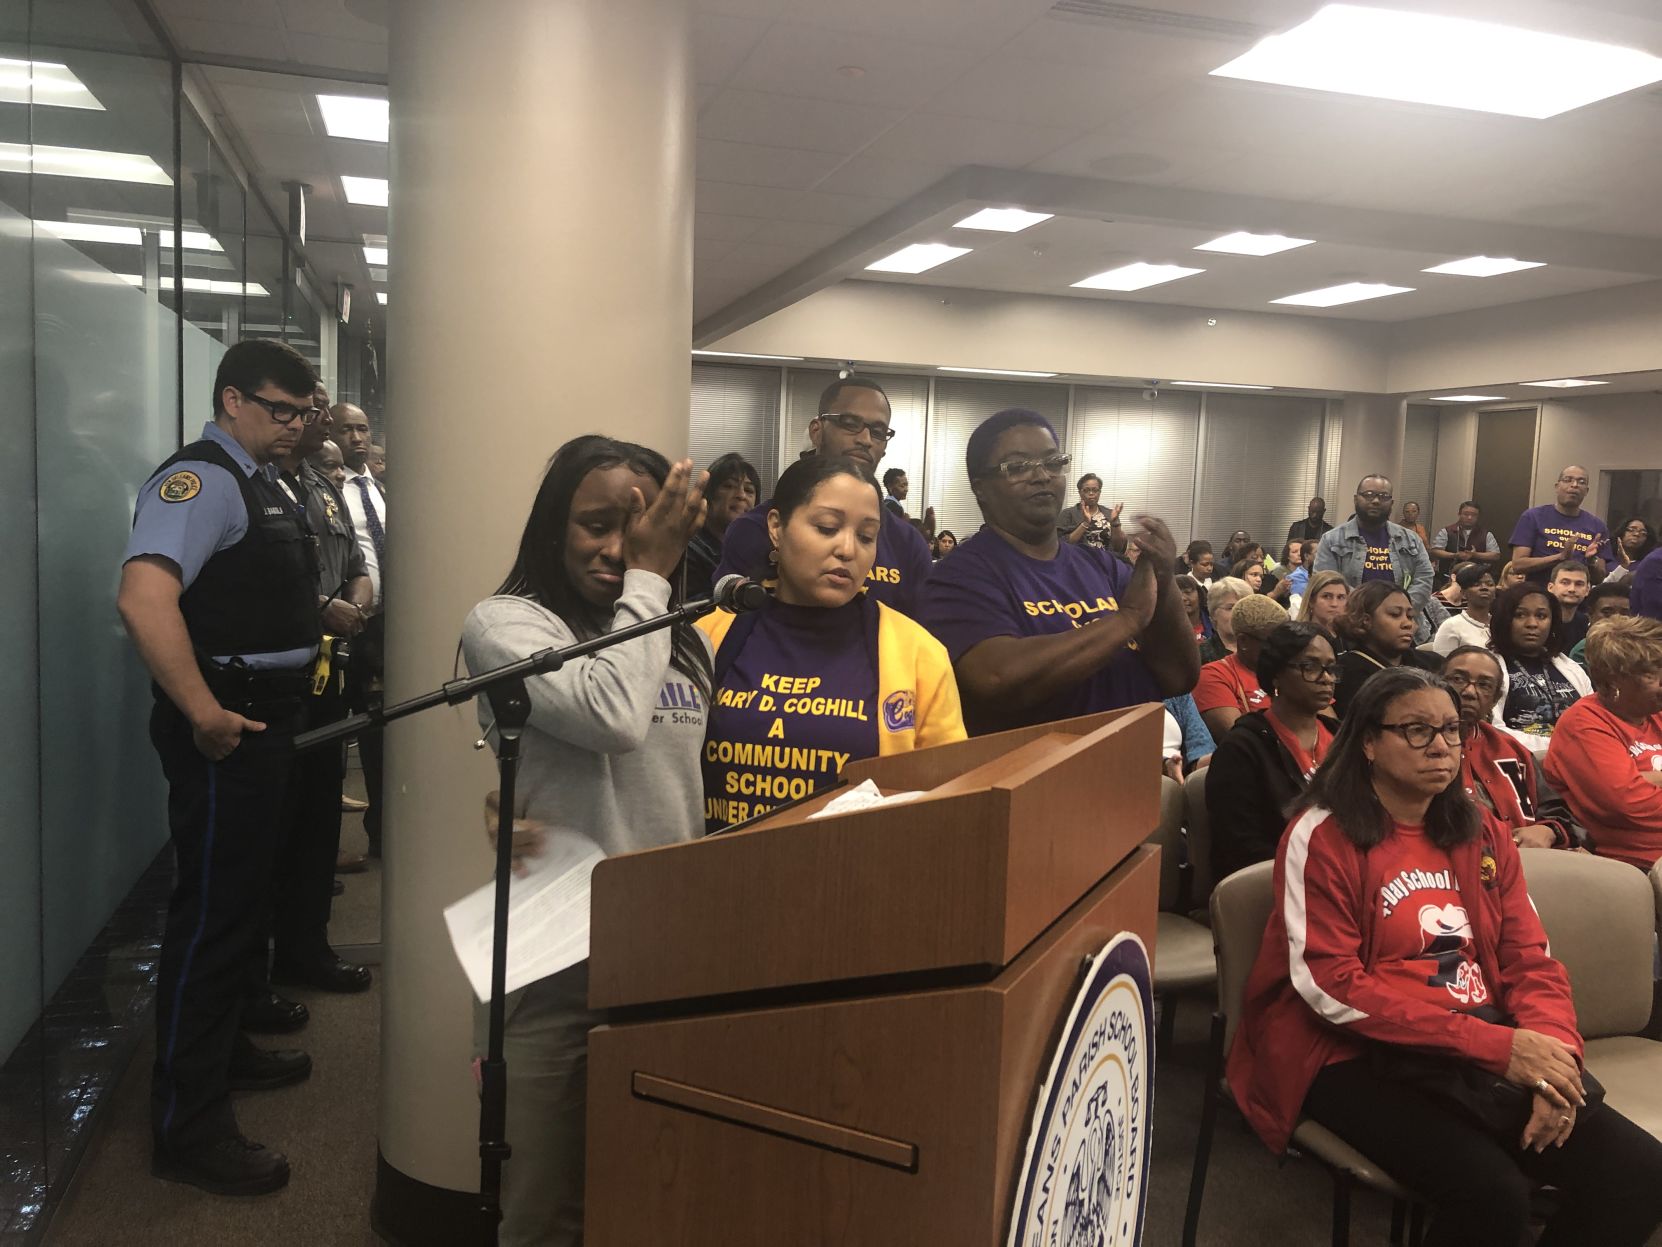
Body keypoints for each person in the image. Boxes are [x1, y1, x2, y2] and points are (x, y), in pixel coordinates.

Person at [1229, 665, 1662, 1247]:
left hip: (1481, 1041)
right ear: (1368, 743)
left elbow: (1529, 957)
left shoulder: (1479, 828)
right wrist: (1499, 1049)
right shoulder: (1324, 834)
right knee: (1492, 1193)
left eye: (1451, 730)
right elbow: (1329, 985)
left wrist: (1553, 1060)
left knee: (1639, 1176)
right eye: (1415, 731)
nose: (1440, 746)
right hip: (1347, 1050)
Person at [461, 436, 712, 1245]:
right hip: (555, 962)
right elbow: (611, 715)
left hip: (665, 949)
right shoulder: (504, 624)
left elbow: (678, 779)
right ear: (553, 528)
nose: (618, 549)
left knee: (656, 1182)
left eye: (639, 527)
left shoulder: (683, 633)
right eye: (596, 525)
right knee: (543, 1204)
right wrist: (650, 573)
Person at [117, 339, 324, 1196]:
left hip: (269, 717)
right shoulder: (198, 479)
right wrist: (202, 711)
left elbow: (246, 586)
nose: (296, 424)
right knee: (211, 916)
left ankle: (225, 1050)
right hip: (226, 728)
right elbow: (144, 593)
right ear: (232, 399)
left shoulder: (263, 477)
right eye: (282, 409)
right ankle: (188, 1125)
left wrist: (323, 615)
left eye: (303, 412)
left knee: (242, 903)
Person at [699, 456, 965, 829]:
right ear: (776, 527)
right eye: (827, 528)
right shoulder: (710, 635)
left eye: (867, 536)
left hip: (853, 877)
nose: (848, 549)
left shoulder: (919, 654)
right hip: (712, 874)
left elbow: (946, 800)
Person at [922, 408, 1199, 736]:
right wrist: (1126, 620)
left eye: (1053, 462)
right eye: (1018, 466)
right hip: (1032, 780)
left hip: (1132, 771)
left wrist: (1163, 580)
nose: (1041, 476)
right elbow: (997, 677)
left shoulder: (1105, 567)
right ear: (980, 487)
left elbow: (1178, 677)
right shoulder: (959, 576)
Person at [266, 383, 374, 998]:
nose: (322, 417)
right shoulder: (249, 484)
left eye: (320, 409)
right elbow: (252, 585)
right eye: (309, 407)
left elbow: (356, 563)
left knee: (316, 818)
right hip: (275, 681)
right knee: (273, 825)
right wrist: (322, 609)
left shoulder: (322, 487)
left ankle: (307, 949)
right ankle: (260, 966)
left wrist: (355, 599)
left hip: (329, 672)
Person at [717, 376, 932, 616]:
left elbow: (919, 634)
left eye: (878, 431)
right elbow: (727, 629)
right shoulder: (752, 530)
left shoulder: (907, 545)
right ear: (816, 431)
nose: (865, 439)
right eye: (850, 423)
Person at [1206, 622, 1338, 879]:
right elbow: (1241, 848)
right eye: (1310, 667)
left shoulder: (1340, 736)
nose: (1326, 678)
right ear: (1275, 674)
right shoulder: (1242, 749)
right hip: (1282, 879)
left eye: (1331, 669)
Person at [1543, 615, 1662, 872]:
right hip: (1633, 866)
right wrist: (1644, 782)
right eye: (1652, 675)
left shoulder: (1655, 713)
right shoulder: (1583, 723)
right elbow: (1629, 806)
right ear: (1610, 685)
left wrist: (1647, 778)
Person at [1444, 646, 1579, 850]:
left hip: (1526, 861)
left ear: (1495, 699)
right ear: (1438, 684)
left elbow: (1557, 811)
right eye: (1458, 679)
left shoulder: (1512, 749)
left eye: (1484, 685)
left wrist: (1549, 830)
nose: (1470, 691)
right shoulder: (1414, 749)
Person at [330, 401, 389, 859]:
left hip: (385, 625)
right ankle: (322, 846)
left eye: (363, 429)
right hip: (337, 624)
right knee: (330, 732)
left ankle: (381, 834)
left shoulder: (384, 487)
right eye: (347, 430)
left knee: (380, 731)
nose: (357, 438)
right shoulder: (326, 486)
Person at [1488, 581, 1592, 755]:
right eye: (1520, 615)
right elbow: (1492, 730)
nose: (1532, 624)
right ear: (1504, 620)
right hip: (1522, 760)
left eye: (1541, 616)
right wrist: (1557, 748)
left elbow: (1594, 719)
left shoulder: (1570, 667)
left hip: (1580, 757)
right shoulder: (1488, 666)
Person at [1314, 474, 1435, 616]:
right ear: (1355, 499)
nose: (1376, 501)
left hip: (1402, 625)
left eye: (1384, 496)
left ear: (1391, 503)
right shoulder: (1332, 540)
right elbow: (1327, 583)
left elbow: (1424, 580)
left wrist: (1399, 613)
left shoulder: (1411, 539)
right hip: (1351, 624)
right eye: (1368, 495)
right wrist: (1374, 613)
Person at [1332, 581, 1439, 718]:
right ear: (1366, 620)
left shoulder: (1432, 663)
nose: (1407, 624)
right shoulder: (1345, 673)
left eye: (1410, 616)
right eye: (1395, 614)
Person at [1192, 595, 1288, 740]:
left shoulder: (1291, 669)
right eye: (1273, 642)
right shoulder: (1214, 676)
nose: (1282, 649)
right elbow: (1242, 742)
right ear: (1243, 641)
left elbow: (1327, 724)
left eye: (1285, 640)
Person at [1509, 466, 1610, 582]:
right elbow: (1518, 565)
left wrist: (1591, 561)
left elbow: (1600, 578)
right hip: (1540, 592)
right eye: (1568, 480)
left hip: (1578, 594)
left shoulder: (1597, 526)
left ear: (1586, 491)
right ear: (1557, 487)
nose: (1575, 485)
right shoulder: (1533, 517)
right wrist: (1560, 557)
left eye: (1581, 482)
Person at [681, 452, 759, 602]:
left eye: (749, 490)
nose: (741, 495)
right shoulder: (688, 551)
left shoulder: (756, 550)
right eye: (729, 486)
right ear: (708, 495)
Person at [1430, 563, 1496, 655]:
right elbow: (1442, 664)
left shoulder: (1500, 624)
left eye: (1490, 584)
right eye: (1476, 584)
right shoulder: (1451, 626)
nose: (1484, 588)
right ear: (1463, 593)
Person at [1430, 501, 1503, 581]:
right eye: (1466, 514)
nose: (1469, 517)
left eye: (1474, 515)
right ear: (1459, 514)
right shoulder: (1447, 531)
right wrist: (1454, 555)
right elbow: (1435, 550)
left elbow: (1495, 555)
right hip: (1448, 577)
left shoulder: (1486, 534)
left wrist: (1475, 554)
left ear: (1478, 517)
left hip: (1476, 578)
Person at [1569, 581, 1631, 669]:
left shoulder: (1642, 646)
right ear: (1590, 614)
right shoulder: (1583, 651)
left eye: (1624, 613)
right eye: (1607, 612)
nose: (1616, 618)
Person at [1058, 472, 1124, 552]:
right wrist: (1085, 524)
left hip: (1105, 561)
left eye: (1095, 490)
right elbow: (1062, 544)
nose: (1091, 493)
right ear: (1080, 493)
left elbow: (1119, 548)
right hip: (1078, 560)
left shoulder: (1109, 514)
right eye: (1086, 490)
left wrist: (1115, 523)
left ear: (1099, 492)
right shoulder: (1068, 514)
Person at [1199, 575, 1251, 663]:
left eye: (1243, 606)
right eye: (1230, 608)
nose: (1238, 613)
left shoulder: (1263, 649)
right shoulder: (1201, 655)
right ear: (1213, 613)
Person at [1545, 559, 1591, 649]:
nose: (1572, 589)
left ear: (1587, 590)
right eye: (1565, 583)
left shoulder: (1586, 625)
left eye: (1579, 584)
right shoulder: (1538, 621)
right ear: (1550, 587)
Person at [1297, 570, 1349, 637]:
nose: (1334, 604)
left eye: (1340, 597)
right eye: (1326, 596)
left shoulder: (1352, 639)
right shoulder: (1298, 639)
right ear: (1311, 601)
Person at [1608, 517, 1657, 581]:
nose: (1636, 534)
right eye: (1631, 530)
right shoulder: (1607, 560)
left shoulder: (1646, 565)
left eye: (1643, 533)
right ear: (1621, 533)